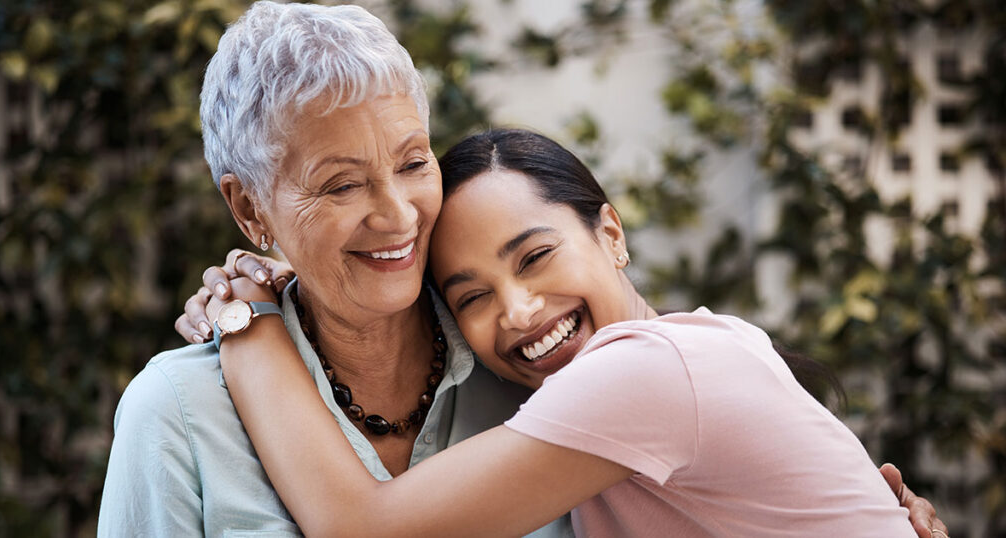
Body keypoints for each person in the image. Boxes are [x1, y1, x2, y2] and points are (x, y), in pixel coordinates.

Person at [184, 129, 951, 537]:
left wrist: (247, 321)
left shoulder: (645, 375)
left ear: (610, 233)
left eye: (535, 257)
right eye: (473, 296)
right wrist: (309, 280)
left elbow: (361, 529)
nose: (519, 311)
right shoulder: (694, 351)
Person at [97, 3, 566, 536]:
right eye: (341, 185)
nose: (399, 216)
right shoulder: (176, 413)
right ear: (249, 209)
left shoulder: (527, 357)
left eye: (414, 163)